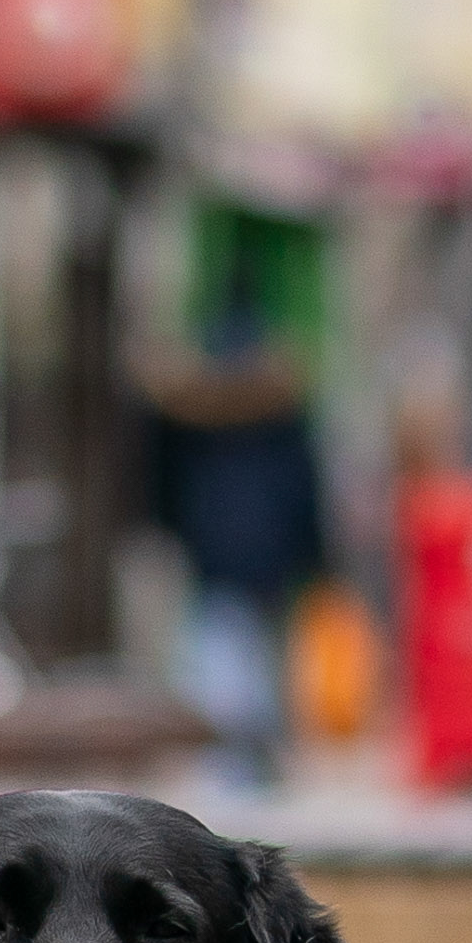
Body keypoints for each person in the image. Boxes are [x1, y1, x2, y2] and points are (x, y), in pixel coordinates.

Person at [137, 316, 331, 788]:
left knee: (222, 670)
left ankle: (235, 771)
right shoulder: (283, 411)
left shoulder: (188, 412)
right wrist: (315, 558)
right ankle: (250, 767)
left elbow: (163, 485)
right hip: (265, 562)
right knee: (254, 669)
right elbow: (303, 489)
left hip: (214, 556)